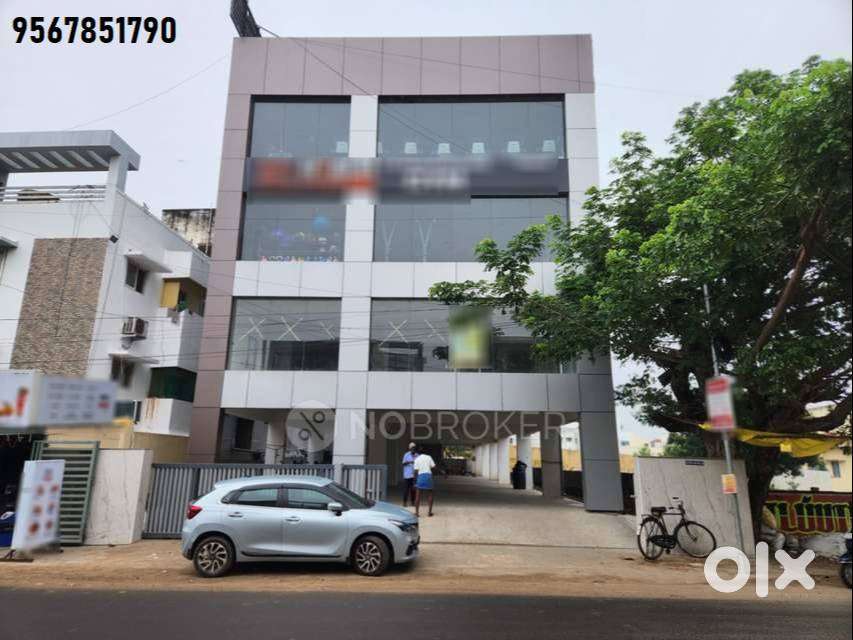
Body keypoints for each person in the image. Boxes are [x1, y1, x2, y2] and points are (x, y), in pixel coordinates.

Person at [412, 449, 436, 517]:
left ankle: (417, 513)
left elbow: (415, 471)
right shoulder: (429, 457)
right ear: (426, 452)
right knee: (430, 494)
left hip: (421, 476)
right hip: (428, 475)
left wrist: (414, 481)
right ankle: (429, 513)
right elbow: (434, 467)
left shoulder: (417, 459)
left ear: (418, 453)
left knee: (418, 496)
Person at [401, 442, 418, 507]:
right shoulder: (406, 455)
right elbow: (403, 463)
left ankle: (413, 502)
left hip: (414, 475)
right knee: (406, 489)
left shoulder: (417, 455)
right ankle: (404, 502)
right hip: (407, 475)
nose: (413, 449)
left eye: (414, 448)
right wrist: (410, 462)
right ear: (410, 448)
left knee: (413, 489)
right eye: (412, 448)